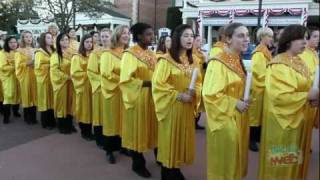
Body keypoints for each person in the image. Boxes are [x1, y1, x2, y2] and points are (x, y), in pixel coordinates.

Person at [258, 24, 319, 180]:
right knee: (281, 165)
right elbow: (280, 97)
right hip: (283, 124)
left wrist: (312, 99)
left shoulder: (300, 62)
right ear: (288, 41)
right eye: (300, 38)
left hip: (299, 120)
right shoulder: (279, 64)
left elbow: (306, 88)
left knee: (293, 162)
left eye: (306, 38)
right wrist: (307, 96)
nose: (304, 42)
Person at [152, 24, 202, 180]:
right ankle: (168, 173)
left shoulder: (194, 60)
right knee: (170, 142)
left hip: (186, 109)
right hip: (171, 108)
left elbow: (199, 82)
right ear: (177, 38)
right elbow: (158, 85)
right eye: (185, 36)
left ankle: (175, 169)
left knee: (181, 141)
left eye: (191, 36)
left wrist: (195, 92)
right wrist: (178, 95)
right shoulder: (166, 60)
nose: (189, 39)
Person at [202, 23, 250, 180]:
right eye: (240, 35)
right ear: (228, 39)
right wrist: (235, 102)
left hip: (238, 116)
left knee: (235, 158)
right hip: (223, 120)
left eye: (247, 35)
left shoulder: (237, 60)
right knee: (224, 159)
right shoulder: (218, 62)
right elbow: (210, 94)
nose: (246, 39)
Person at [119, 23, 158, 178]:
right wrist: (146, 83)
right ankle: (137, 163)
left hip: (153, 97)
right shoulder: (129, 54)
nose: (152, 36)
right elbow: (126, 80)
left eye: (152, 34)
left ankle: (160, 157)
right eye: (149, 34)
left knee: (154, 127)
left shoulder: (151, 53)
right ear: (139, 36)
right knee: (138, 129)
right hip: (138, 98)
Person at [100, 25, 130, 164]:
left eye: (128, 33)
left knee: (123, 119)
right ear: (117, 35)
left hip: (125, 92)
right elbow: (106, 73)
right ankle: (109, 150)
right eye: (123, 33)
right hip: (112, 92)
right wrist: (123, 80)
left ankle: (123, 146)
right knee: (111, 120)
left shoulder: (127, 53)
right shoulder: (107, 53)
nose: (126, 35)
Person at [248, 27, 274, 152]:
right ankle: (250, 140)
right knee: (254, 115)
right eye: (269, 36)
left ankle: (257, 136)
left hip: (263, 87)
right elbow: (259, 72)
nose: (271, 39)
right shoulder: (259, 53)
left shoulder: (266, 52)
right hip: (258, 88)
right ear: (262, 37)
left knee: (260, 114)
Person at [299, 26, 319, 178]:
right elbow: (307, 74)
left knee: (310, 122)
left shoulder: (313, 53)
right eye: (315, 36)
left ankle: (306, 145)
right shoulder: (304, 54)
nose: (318, 39)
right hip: (308, 93)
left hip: (314, 92)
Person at [87, 28, 111, 149]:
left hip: (114, 90)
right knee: (100, 114)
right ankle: (100, 139)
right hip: (100, 88)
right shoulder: (95, 53)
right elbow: (91, 71)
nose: (104, 38)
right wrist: (103, 83)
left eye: (107, 36)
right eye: (102, 36)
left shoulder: (117, 52)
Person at [50, 33, 76, 134]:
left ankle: (69, 124)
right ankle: (62, 126)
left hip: (71, 83)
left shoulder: (71, 53)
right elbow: (54, 70)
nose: (65, 42)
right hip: (62, 83)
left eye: (66, 39)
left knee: (70, 103)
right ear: (58, 42)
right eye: (62, 40)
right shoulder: (56, 55)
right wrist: (66, 77)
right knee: (62, 103)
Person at [71, 34, 94, 141]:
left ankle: (90, 130)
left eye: (91, 42)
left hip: (93, 86)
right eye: (87, 42)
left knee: (92, 109)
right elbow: (75, 73)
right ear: (82, 43)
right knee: (84, 109)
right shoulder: (77, 57)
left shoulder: (94, 55)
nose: (89, 44)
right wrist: (89, 73)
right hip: (83, 86)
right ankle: (85, 132)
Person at [15, 31, 37, 125]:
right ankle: (27, 118)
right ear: (23, 39)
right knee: (26, 95)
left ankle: (33, 117)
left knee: (34, 95)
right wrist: (28, 63)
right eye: (26, 37)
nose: (29, 38)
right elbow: (18, 65)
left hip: (34, 75)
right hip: (25, 76)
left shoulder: (35, 49)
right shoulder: (19, 51)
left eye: (30, 37)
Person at [34, 32, 56, 129]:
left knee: (51, 100)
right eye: (48, 38)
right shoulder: (39, 52)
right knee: (44, 101)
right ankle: (45, 123)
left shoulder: (53, 50)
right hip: (44, 80)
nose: (51, 39)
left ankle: (52, 121)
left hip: (52, 79)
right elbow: (38, 67)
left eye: (51, 38)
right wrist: (51, 65)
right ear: (43, 39)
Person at [0, 36, 21, 124]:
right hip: (8, 77)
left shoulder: (18, 52)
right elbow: (3, 67)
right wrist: (15, 66)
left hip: (18, 77)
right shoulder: (2, 53)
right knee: (8, 96)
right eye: (11, 42)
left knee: (18, 95)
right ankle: (6, 116)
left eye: (15, 42)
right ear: (7, 44)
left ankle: (15, 111)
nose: (13, 44)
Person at [193, 34, 206, 130]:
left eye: (200, 40)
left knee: (200, 102)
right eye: (198, 40)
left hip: (202, 79)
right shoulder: (191, 54)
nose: (200, 42)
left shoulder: (201, 54)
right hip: (195, 80)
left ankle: (196, 122)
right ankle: (193, 121)